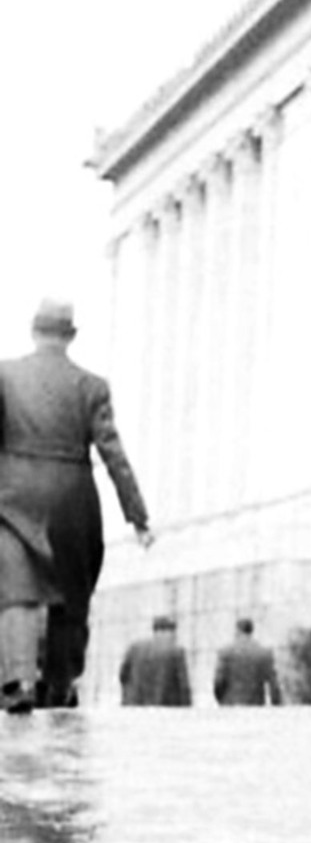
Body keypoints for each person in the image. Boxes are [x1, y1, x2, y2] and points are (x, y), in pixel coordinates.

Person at [0, 298, 153, 713]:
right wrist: (137, 516)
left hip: (13, 496)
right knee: (70, 594)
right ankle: (60, 684)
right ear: (70, 337)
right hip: (73, 497)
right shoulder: (92, 386)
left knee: (16, 590)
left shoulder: (4, 376)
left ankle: (17, 682)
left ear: (34, 331)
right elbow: (113, 453)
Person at [120, 614, 192, 707]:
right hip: (163, 710)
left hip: (134, 707)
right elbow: (183, 687)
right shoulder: (177, 652)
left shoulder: (134, 648)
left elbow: (123, 676)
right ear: (171, 632)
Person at [214, 616, 282, 706]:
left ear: (237, 630)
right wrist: (276, 705)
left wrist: (221, 701)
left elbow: (218, 682)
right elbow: (274, 686)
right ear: (251, 631)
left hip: (230, 707)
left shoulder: (225, 652)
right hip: (255, 707)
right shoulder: (264, 653)